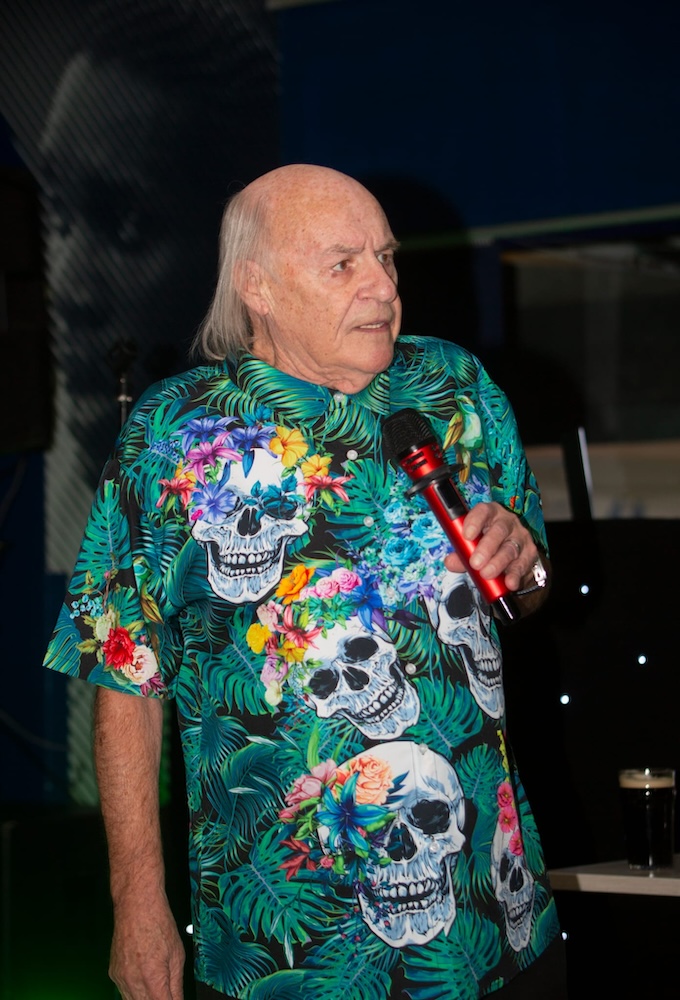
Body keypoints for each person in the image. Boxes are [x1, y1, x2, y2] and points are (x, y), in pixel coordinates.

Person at [44, 163, 568, 1000]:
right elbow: (123, 674)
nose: (383, 286)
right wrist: (136, 901)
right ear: (257, 286)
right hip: (286, 953)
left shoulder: (456, 389)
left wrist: (525, 558)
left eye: (386, 257)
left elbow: (529, 587)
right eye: (343, 263)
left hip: (493, 919)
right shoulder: (174, 432)